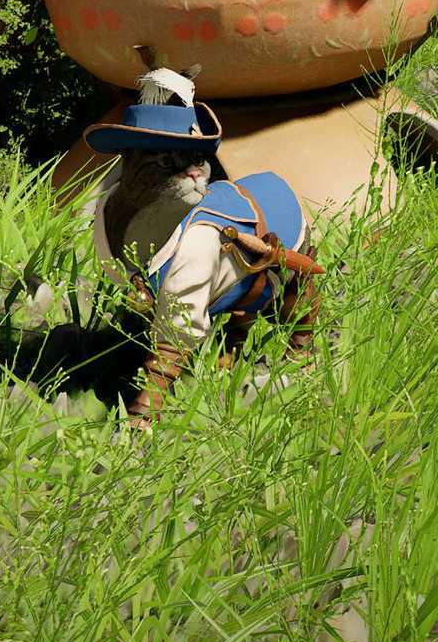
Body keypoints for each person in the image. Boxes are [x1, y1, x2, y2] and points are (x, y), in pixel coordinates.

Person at [83, 69, 324, 426]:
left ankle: (302, 356)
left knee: (295, 294)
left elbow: (177, 332)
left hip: (277, 217)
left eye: (199, 160)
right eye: (168, 161)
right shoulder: (105, 221)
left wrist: (143, 409)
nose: (196, 173)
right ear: (129, 161)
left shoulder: (197, 238)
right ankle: (230, 352)